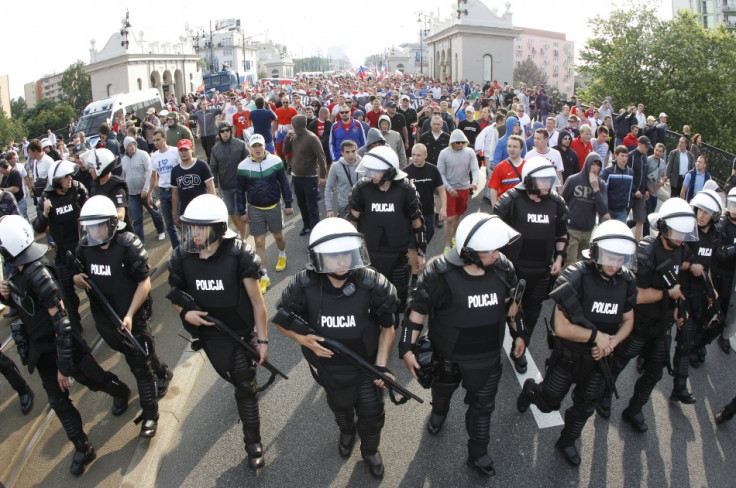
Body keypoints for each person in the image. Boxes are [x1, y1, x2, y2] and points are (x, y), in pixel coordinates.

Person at [0, 215, 130, 476]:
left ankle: (121, 391)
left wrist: (64, 367)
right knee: (59, 402)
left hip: (64, 347)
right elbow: (28, 309)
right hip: (42, 352)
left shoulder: (38, 274)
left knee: (95, 380)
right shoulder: (19, 271)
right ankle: (83, 447)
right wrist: (6, 294)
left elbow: (62, 324)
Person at [400, 213, 525, 477]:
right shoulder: (439, 273)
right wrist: (407, 350)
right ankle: (439, 412)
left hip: (487, 360)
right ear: (469, 252)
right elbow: (417, 312)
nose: (497, 253)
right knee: (442, 393)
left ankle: (478, 454)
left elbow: (513, 307)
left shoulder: (503, 268)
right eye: (489, 250)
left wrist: (520, 334)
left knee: (483, 409)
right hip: (447, 358)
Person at [274, 217, 399, 479]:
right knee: (340, 408)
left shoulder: (373, 283)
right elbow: (281, 321)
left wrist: (381, 365)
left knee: (373, 413)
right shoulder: (303, 285)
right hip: (328, 367)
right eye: (334, 255)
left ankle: (370, 450)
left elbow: (388, 327)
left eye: (346, 253)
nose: (342, 260)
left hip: (365, 367)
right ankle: (346, 432)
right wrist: (303, 339)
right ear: (319, 257)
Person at [517, 220, 637, 466]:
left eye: (620, 259)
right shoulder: (576, 277)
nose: (615, 264)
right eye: (609, 257)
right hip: (568, 357)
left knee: (585, 407)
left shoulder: (627, 281)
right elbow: (561, 327)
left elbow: (628, 321)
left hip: (599, 358)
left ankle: (567, 441)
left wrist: (612, 343)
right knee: (548, 403)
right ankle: (531, 390)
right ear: (595, 252)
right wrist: (596, 337)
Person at [168, 194, 269, 470]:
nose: (195, 233)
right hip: (210, 337)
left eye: (201, 228)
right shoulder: (181, 257)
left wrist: (262, 341)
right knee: (233, 378)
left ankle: (253, 443)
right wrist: (186, 313)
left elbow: (258, 303)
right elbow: (176, 297)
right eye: (191, 227)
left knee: (245, 387)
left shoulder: (239, 255)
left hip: (239, 332)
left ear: (217, 228)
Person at [73, 196, 172, 439]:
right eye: (90, 226)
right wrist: (77, 279)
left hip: (132, 319)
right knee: (138, 355)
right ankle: (163, 371)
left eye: (99, 226)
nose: (94, 232)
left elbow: (144, 282)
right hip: (105, 320)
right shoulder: (85, 246)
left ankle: (150, 416)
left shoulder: (128, 245)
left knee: (139, 366)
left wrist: (129, 315)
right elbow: (78, 271)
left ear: (111, 223)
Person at [597, 198, 698, 430]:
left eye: (684, 232)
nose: (681, 237)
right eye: (677, 231)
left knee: (655, 372)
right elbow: (637, 296)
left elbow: (675, 282)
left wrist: (676, 312)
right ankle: (604, 394)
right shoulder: (647, 250)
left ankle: (635, 410)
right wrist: (667, 295)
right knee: (619, 361)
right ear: (663, 227)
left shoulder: (680, 249)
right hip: (640, 322)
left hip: (661, 324)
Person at [494, 158, 569, 373]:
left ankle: (520, 347)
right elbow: (494, 232)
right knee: (503, 311)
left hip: (541, 271)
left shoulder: (556, 203)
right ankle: (492, 349)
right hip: (512, 271)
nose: (547, 184)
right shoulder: (511, 200)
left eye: (549, 180)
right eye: (542, 180)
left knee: (532, 312)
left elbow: (562, 233)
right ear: (529, 180)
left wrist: (559, 258)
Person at [349, 146, 426, 310]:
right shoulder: (362, 189)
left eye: (377, 171)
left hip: (397, 254)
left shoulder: (406, 189)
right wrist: (349, 251)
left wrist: (420, 253)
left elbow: (417, 223)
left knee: (399, 300)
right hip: (369, 254)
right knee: (369, 298)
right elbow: (352, 222)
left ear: (390, 171)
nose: (372, 175)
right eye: (370, 170)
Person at [669, 189, 722, 403]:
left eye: (706, 212)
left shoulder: (714, 236)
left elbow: (708, 266)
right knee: (661, 339)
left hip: (698, 296)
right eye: (699, 210)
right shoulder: (687, 230)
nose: (701, 215)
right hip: (678, 290)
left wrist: (711, 287)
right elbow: (673, 258)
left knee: (685, 342)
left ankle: (679, 388)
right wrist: (691, 266)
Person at [31, 160, 87, 329]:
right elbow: (37, 228)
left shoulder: (78, 188)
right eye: (66, 176)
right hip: (63, 253)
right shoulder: (46, 198)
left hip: (84, 248)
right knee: (67, 295)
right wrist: (46, 212)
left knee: (94, 286)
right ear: (56, 180)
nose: (70, 178)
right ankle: (76, 328)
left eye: (70, 175)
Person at [236, 134, 294, 293]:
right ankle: (264, 276)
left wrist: (288, 203)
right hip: (254, 209)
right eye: (254, 146)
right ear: (249, 148)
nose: (257, 149)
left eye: (259, 145)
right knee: (259, 242)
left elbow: (284, 183)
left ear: (264, 146)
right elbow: (239, 191)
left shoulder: (275, 161)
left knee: (278, 237)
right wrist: (241, 211)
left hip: (274, 206)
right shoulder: (242, 166)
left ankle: (282, 253)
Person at [404, 143, 446, 285]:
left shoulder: (433, 170)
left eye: (418, 155)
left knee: (424, 240)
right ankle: (415, 275)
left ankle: (418, 255)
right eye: (413, 155)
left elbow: (441, 190)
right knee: (412, 244)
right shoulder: (406, 172)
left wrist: (443, 208)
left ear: (425, 155)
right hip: (411, 217)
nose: (415, 158)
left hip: (428, 214)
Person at [561, 153, 609, 265]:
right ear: (587, 164)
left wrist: (596, 188)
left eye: (598, 165)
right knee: (570, 264)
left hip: (588, 230)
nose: (595, 168)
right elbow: (562, 202)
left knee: (581, 264)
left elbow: (603, 210)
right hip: (572, 229)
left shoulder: (601, 184)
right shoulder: (573, 180)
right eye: (593, 164)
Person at [284, 115, 327, 236]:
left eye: (292, 124)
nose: (291, 126)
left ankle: (316, 233)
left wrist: (323, 175)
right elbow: (284, 151)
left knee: (312, 206)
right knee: (302, 204)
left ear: (296, 125)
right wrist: (287, 138)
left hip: (310, 177)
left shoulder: (312, 138)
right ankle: (307, 226)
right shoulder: (294, 137)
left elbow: (321, 157)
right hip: (297, 177)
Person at [438, 130, 479, 253]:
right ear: (452, 142)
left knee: (458, 216)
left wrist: (475, 182)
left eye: (462, 142)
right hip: (449, 189)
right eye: (457, 142)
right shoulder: (444, 153)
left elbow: (475, 169)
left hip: (464, 189)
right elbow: (441, 173)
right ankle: (446, 245)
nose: (460, 144)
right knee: (449, 218)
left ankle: (454, 237)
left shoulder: (470, 152)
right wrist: (449, 188)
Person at [120, 137, 166, 244]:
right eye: (130, 145)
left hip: (146, 192)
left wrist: (146, 189)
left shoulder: (143, 155)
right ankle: (141, 241)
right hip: (132, 194)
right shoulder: (124, 160)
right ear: (126, 148)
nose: (132, 147)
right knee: (136, 219)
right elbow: (123, 176)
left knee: (154, 211)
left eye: (133, 144)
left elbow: (150, 172)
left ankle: (160, 230)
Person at [210, 121, 249, 239]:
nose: (225, 133)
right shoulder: (215, 149)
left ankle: (243, 238)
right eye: (222, 131)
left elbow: (248, 161)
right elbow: (213, 168)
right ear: (219, 133)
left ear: (231, 131)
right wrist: (215, 186)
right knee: (232, 212)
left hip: (240, 186)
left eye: (227, 130)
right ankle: (239, 230)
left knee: (240, 212)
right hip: (225, 186)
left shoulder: (241, 144)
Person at [82, 148, 134, 233]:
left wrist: (99, 218)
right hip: (101, 233)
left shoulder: (117, 187)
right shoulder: (95, 184)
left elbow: (120, 215)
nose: (90, 170)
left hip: (118, 235)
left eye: (92, 167)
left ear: (100, 167)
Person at [170, 139, 216, 228]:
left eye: (186, 149)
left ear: (192, 149)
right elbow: (175, 194)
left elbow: (211, 187)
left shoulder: (202, 165)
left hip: (203, 209)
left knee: (205, 237)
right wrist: (175, 215)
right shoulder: (175, 170)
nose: (183, 153)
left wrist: (212, 207)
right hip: (185, 211)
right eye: (181, 150)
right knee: (189, 239)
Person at [148, 128, 181, 249]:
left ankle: (187, 246)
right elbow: (153, 176)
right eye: (154, 140)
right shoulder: (154, 156)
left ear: (165, 138)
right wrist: (150, 192)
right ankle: (177, 249)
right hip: (163, 192)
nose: (156, 143)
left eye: (158, 139)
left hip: (176, 191)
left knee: (180, 220)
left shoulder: (175, 152)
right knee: (169, 224)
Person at [627, 136, 652, 241]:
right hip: (630, 194)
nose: (647, 149)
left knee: (640, 220)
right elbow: (629, 175)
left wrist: (645, 189)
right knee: (622, 217)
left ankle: (636, 243)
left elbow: (644, 175)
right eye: (646, 146)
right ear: (640, 144)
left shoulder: (644, 157)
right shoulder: (631, 156)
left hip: (641, 194)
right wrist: (634, 190)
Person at [602, 146, 634, 223]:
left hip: (622, 211)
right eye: (622, 156)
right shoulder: (608, 171)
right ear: (616, 156)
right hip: (608, 209)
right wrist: (604, 210)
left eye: (626, 156)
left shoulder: (630, 172)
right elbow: (603, 191)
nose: (624, 158)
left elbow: (629, 191)